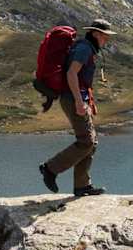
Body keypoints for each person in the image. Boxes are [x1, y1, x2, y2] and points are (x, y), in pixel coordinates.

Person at [39, 19, 116, 197]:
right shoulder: (84, 48)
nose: (107, 39)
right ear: (96, 33)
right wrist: (78, 101)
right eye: (105, 35)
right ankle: (50, 168)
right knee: (86, 141)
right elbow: (71, 73)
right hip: (74, 99)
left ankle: (82, 186)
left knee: (91, 142)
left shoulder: (87, 47)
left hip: (80, 98)